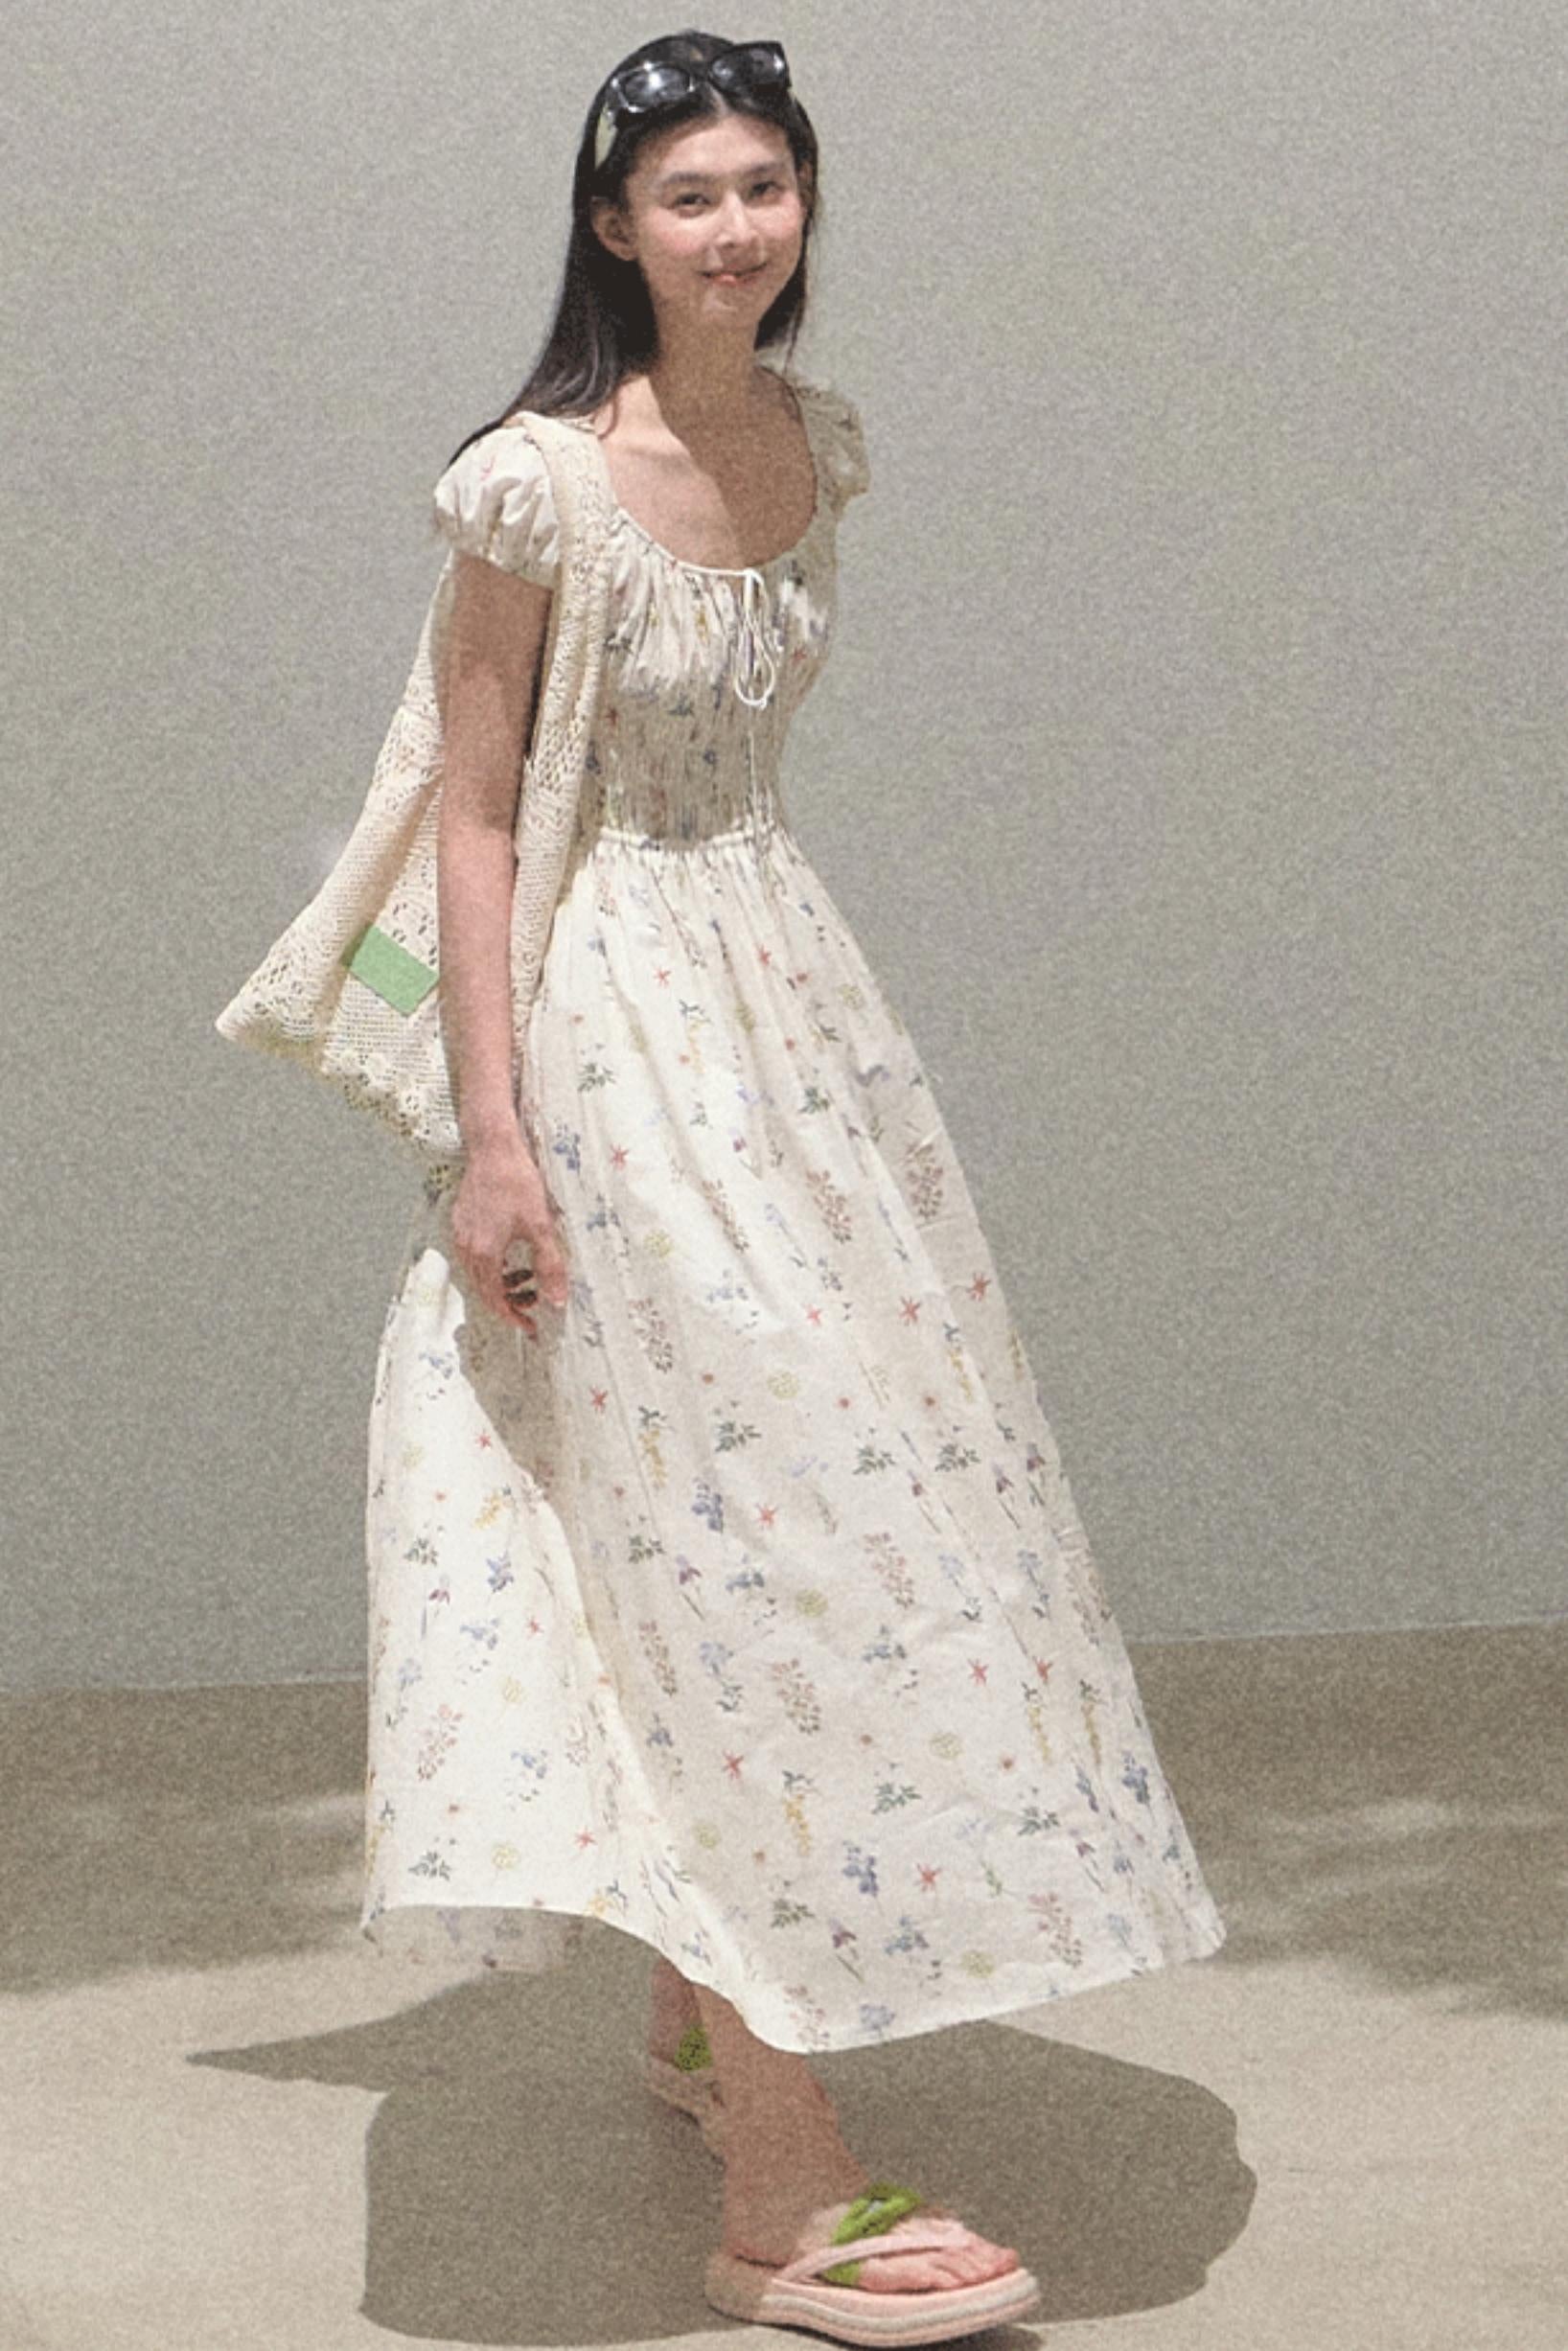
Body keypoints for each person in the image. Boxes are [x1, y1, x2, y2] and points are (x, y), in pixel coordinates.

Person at [361, 30, 1227, 2340]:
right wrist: (497, 1136)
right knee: (711, 1551)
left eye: (762, 183)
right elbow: (472, 816)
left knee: (822, 1512)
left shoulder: (813, 444)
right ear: (610, 229)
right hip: (609, 1033)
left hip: (793, 1014)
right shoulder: (532, 488)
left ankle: (699, 2008)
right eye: (685, 194)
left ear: (802, 200)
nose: (731, 226)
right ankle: (776, 2175)